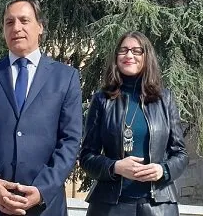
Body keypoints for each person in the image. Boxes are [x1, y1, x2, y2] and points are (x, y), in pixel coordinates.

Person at [0, 0, 83, 216]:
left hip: (43, 207)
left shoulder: (65, 78)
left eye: (24, 20)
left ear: (40, 27)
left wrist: (41, 189)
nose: (17, 28)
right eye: (9, 22)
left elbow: (70, 140)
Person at [79, 31, 189, 216]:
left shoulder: (165, 99)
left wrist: (163, 170)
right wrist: (115, 167)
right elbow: (87, 156)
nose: (129, 55)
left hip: (158, 206)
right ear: (116, 57)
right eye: (123, 50)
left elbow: (180, 153)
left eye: (137, 51)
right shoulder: (101, 100)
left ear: (147, 56)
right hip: (109, 206)